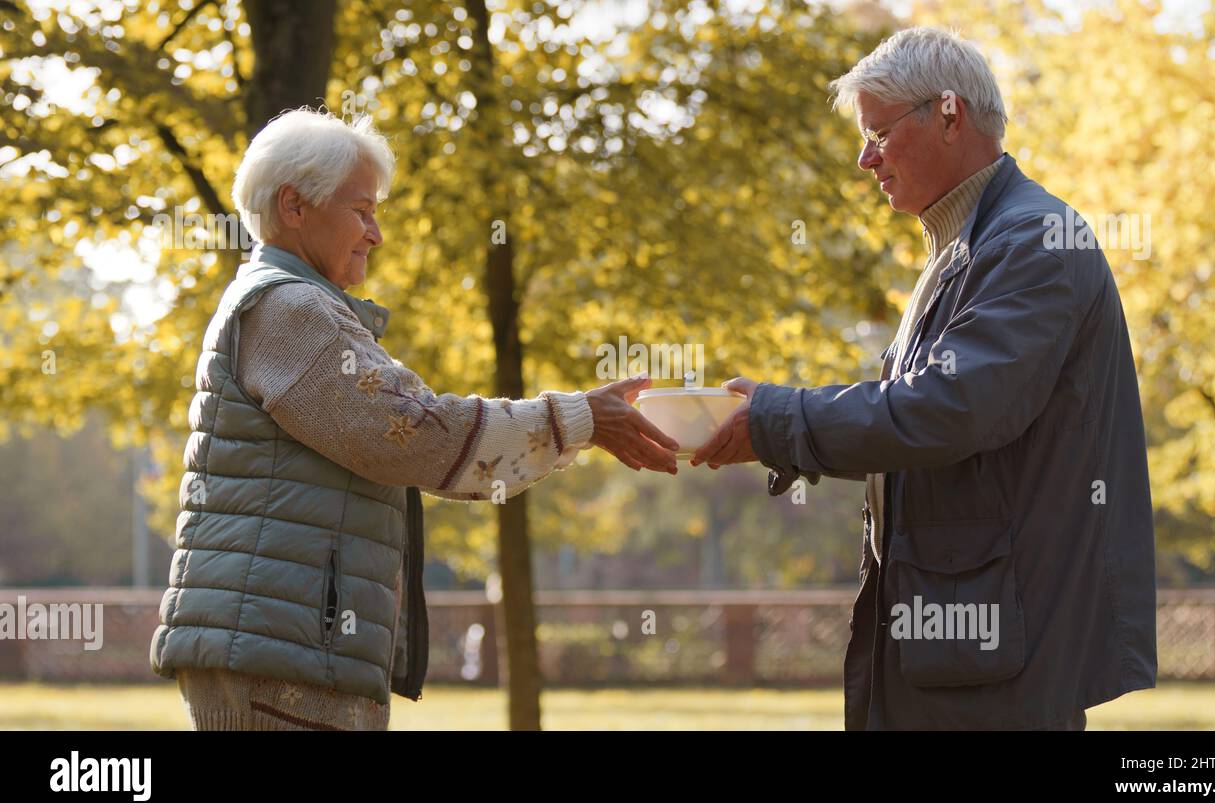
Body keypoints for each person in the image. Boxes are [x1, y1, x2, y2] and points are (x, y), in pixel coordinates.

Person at [150, 108, 679, 730]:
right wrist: (578, 418)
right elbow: (417, 437)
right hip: (278, 655)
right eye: (362, 211)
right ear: (294, 206)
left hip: (282, 648)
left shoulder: (292, 305)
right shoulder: (291, 309)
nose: (376, 234)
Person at [694, 27, 1157, 730]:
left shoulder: (1031, 241)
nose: (864, 158)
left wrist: (775, 421)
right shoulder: (971, 246)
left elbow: (946, 409)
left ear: (949, 115)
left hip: (999, 668)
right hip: (963, 649)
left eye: (878, 133)